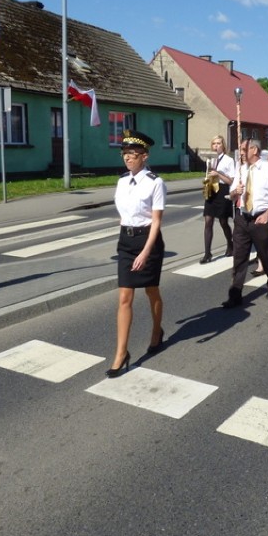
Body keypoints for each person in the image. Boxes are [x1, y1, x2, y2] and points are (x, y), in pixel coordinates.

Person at [106, 130, 166, 378]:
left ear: (144, 156)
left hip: (147, 242)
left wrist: (145, 251)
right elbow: (123, 213)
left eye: (132, 154)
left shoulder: (155, 182)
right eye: (125, 154)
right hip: (126, 241)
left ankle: (156, 331)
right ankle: (121, 352)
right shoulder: (121, 181)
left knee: (151, 291)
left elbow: (156, 222)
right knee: (124, 298)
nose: (127, 159)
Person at [223, 139, 268, 308]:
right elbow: (232, 195)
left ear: (254, 150)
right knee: (239, 257)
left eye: (243, 149)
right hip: (243, 218)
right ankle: (235, 294)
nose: (241, 152)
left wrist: (267, 214)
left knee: (266, 254)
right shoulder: (241, 169)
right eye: (240, 149)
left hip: (261, 217)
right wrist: (236, 192)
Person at [200, 135, 236, 264]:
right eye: (214, 144)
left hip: (222, 190)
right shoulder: (210, 160)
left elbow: (231, 180)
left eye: (218, 143)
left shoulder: (228, 160)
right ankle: (207, 253)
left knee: (223, 221)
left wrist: (218, 173)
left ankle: (230, 244)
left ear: (223, 146)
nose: (216, 146)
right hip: (211, 190)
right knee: (208, 221)